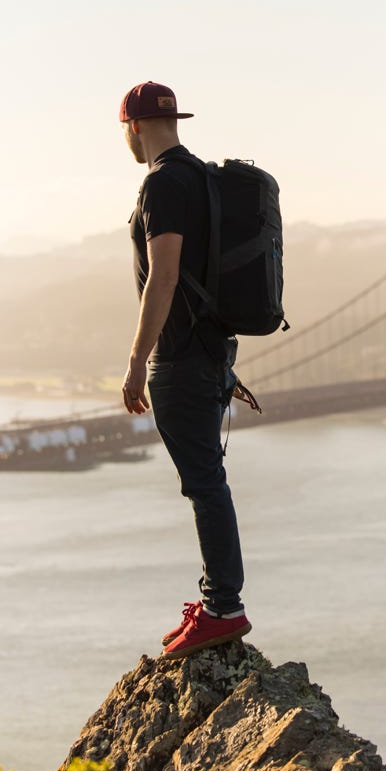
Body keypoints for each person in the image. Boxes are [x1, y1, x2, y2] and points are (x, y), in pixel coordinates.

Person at [119, 81, 251, 660]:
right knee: (207, 480)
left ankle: (224, 607)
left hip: (181, 357)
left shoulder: (163, 183)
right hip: (213, 351)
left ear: (133, 128)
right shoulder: (202, 178)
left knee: (203, 484)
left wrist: (135, 360)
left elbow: (163, 277)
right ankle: (218, 599)